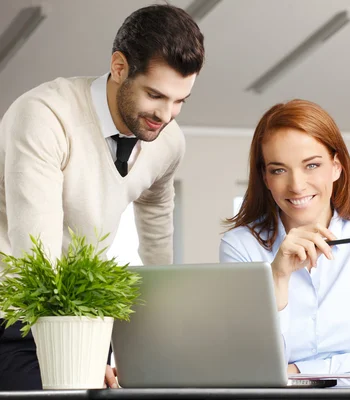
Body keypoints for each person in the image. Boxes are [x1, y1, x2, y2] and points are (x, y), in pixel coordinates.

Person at [0, 4, 205, 390]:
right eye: (155, 95)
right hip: (15, 312)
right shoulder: (45, 115)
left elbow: (158, 225)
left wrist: (160, 331)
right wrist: (78, 360)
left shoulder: (168, 141)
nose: (167, 114)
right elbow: (36, 259)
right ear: (119, 67)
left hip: (79, 318)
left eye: (180, 101)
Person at [220, 99, 350, 383]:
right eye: (279, 170)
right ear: (265, 177)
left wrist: (298, 373)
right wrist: (278, 277)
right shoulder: (241, 246)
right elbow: (248, 367)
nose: (297, 185)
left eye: (311, 165)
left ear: (336, 167)